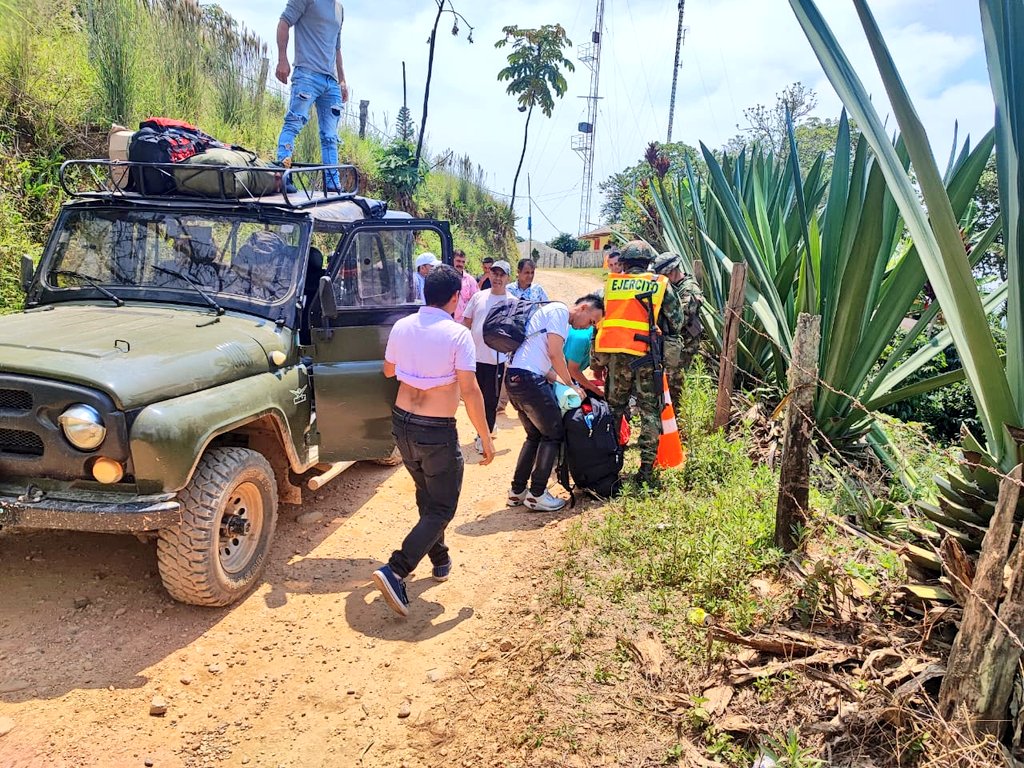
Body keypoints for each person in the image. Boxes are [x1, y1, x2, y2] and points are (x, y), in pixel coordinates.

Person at [372, 265, 495, 617]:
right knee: (442, 506)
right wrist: (484, 437)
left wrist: (419, 369)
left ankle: (439, 557)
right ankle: (396, 570)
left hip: (403, 425)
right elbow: (470, 392)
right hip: (435, 430)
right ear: (456, 298)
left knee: (427, 493)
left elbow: (388, 371)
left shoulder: (402, 326)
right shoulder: (457, 335)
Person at [595, 241, 685, 488]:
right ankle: (646, 470)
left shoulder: (611, 285)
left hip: (616, 359)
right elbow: (676, 321)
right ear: (649, 262)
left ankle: (612, 465)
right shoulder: (659, 284)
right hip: (646, 357)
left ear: (623, 262)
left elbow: (600, 319)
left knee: (615, 410)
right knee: (649, 411)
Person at [505, 294, 604, 512]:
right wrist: (571, 386)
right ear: (584, 308)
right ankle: (538, 493)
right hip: (529, 381)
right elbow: (555, 354)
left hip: (515, 377)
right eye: (592, 320)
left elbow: (545, 365)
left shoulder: (553, 316)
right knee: (553, 434)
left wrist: (564, 382)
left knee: (535, 435)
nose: (589, 326)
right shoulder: (559, 312)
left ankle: (517, 490)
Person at [275, 1, 348, 191]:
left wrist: (342, 80)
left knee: (330, 136)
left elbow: (337, 48)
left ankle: (332, 184)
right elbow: (284, 22)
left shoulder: (340, 9)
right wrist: (282, 59)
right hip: (307, 73)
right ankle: (283, 176)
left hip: (331, 81)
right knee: (294, 122)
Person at [462, 260, 516, 453]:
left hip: (497, 361)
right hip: (475, 359)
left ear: (508, 278)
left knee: (491, 400)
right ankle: (486, 429)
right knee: (475, 399)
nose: (497, 278)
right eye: (494, 273)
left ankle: (482, 437)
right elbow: (466, 322)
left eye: (502, 275)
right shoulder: (478, 297)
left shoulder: (512, 302)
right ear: (489, 275)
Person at [654, 252, 705, 405]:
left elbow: (680, 319)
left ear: (671, 271)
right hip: (672, 343)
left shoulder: (689, 289)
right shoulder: (674, 286)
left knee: (675, 383)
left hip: (685, 345)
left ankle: (674, 418)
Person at [563, 323, 603, 398]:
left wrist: (600, 382)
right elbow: (572, 370)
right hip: (554, 374)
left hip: (569, 373)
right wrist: (596, 389)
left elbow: (597, 371)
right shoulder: (581, 338)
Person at [452, 249, 479, 323]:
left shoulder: (470, 280)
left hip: (463, 324)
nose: (460, 264)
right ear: (452, 260)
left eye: (463, 262)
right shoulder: (444, 278)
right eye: (458, 261)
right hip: (447, 321)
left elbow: (476, 301)